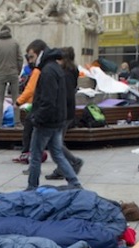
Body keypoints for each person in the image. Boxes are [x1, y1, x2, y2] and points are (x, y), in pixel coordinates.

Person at [24, 40, 81, 191]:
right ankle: (74, 182)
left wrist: (37, 118)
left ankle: (32, 187)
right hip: (56, 119)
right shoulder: (54, 67)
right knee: (57, 153)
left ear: (38, 53)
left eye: (30, 57)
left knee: (36, 155)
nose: (30, 61)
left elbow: (48, 100)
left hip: (47, 121)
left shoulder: (48, 70)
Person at [46, 46, 84, 180]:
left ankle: (73, 162)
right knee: (56, 142)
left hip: (64, 111)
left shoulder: (66, 73)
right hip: (67, 110)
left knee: (55, 143)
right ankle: (62, 168)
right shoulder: (72, 71)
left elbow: (66, 94)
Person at [0, 25, 23, 128]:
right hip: (13, 73)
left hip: (1, 74)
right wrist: (18, 71)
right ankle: (17, 122)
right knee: (16, 99)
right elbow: (20, 59)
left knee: (0, 99)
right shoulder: (15, 43)